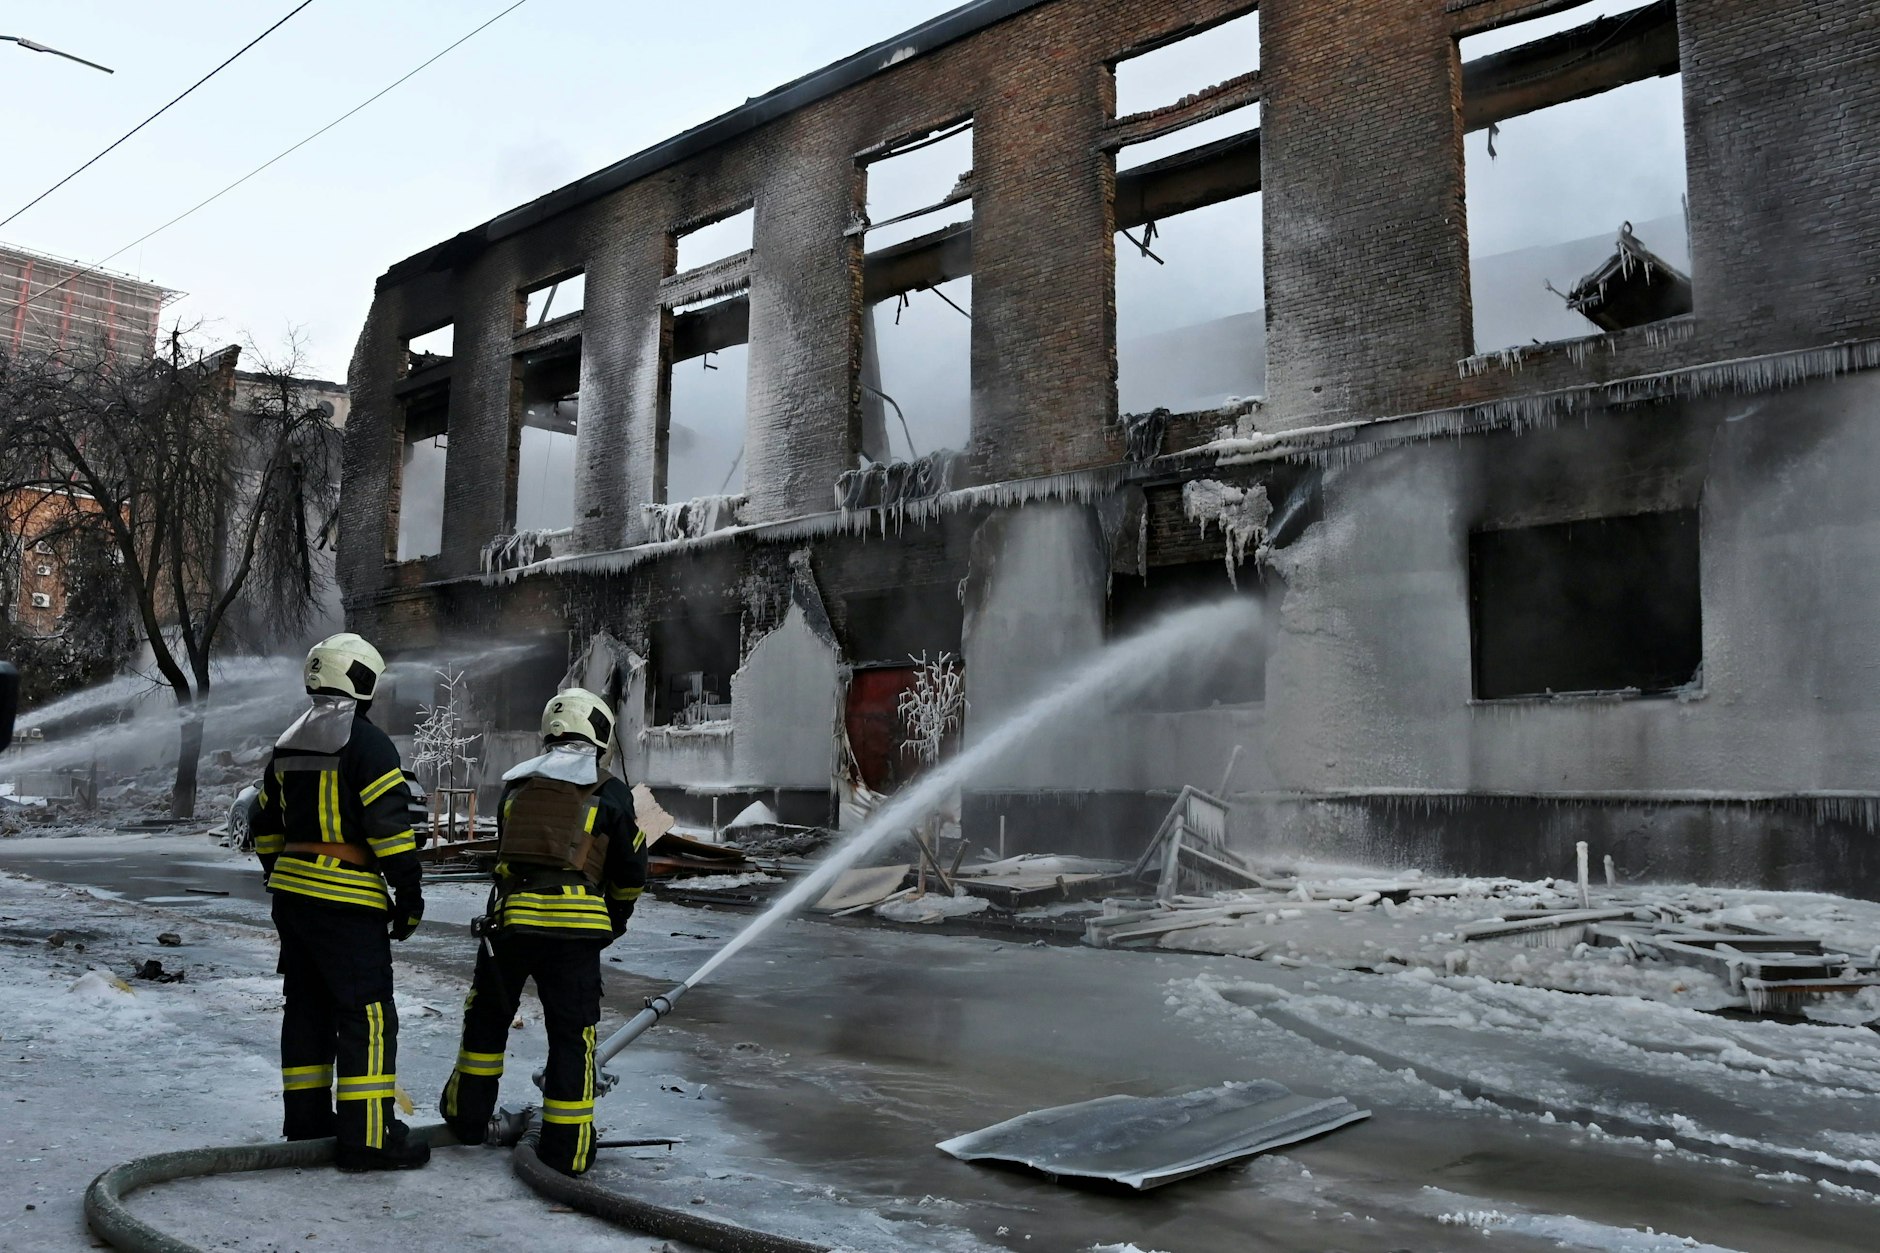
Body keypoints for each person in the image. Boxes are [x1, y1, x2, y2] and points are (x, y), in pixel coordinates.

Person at [439, 687, 649, 1176]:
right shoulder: (610, 791)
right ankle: (568, 1151)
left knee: (487, 1020)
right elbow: (631, 870)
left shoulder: (517, 785)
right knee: (572, 1036)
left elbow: (505, 856)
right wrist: (611, 920)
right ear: (598, 735)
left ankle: (467, 1120)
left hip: (509, 925)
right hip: (574, 932)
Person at [253, 632, 429, 1171]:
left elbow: (263, 824)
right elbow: (390, 830)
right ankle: (368, 1138)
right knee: (367, 1015)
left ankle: (307, 1126)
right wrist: (409, 890)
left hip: (293, 898)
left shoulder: (289, 743)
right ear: (364, 683)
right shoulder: (368, 744)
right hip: (348, 900)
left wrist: (283, 874)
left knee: (306, 1009)